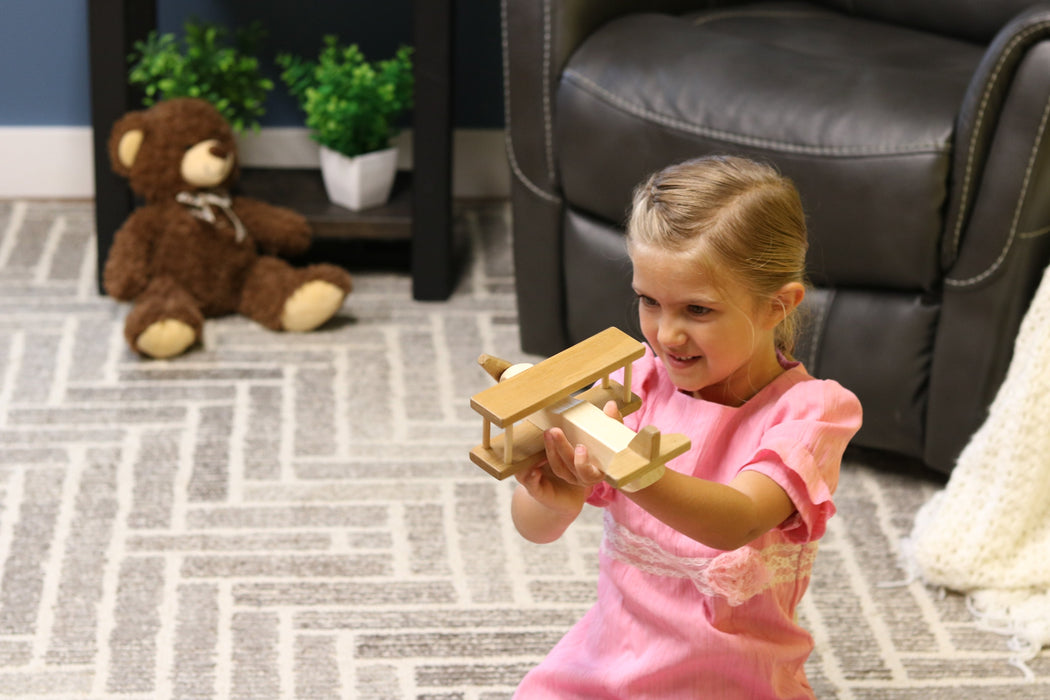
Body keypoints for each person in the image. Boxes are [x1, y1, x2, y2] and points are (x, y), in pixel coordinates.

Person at [511, 155, 863, 699]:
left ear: (777, 306)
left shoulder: (813, 413)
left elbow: (738, 521)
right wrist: (554, 498)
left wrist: (624, 463)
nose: (666, 334)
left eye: (697, 310)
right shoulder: (637, 382)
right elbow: (535, 529)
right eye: (649, 302)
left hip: (732, 681)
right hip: (609, 665)